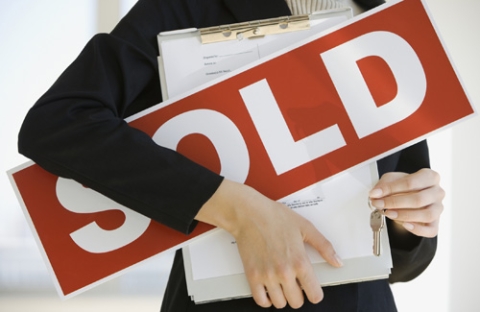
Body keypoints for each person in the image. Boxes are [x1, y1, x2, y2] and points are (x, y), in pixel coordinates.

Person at [17, 0, 444, 310]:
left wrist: (410, 224)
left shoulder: (385, 27)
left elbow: (406, 261)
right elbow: (59, 122)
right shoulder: (188, 6)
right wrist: (236, 207)